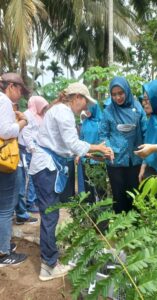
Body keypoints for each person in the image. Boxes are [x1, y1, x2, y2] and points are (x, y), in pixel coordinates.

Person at [29, 82, 113, 281]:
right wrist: (98, 148)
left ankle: (50, 258)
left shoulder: (57, 110)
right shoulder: (64, 113)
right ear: (76, 97)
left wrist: (92, 152)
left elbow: (67, 147)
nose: (85, 107)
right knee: (50, 216)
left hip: (45, 166)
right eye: (85, 102)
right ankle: (48, 266)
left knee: (50, 214)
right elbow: (72, 144)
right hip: (46, 168)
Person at [99, 76, 147, 214]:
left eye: (121, 93)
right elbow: (103, 134)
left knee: (135, 194)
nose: (117, 97)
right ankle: (120, 229)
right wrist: (108, 148)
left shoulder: (137, 108)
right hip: (115, 162)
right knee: (118, 196)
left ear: (127, 91)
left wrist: (145, 156)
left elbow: (145, 132)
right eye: (114, 94)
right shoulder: (108, 111)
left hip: (135, 160)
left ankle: (135, 228)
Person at [0, 72, 29, 266]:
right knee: (5, 209)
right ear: (11, 86)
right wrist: (22, 122)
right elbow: (5, 131)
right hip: (5, 161)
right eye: (20, 90)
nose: (20, 95)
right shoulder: (3, 100)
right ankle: (3, 252)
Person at [15, 96, 49, 224]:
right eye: (43, 106)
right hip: (26, 150)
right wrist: (32, 148)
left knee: (34, 177)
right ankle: (25, 208)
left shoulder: (39, 116)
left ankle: (31, 202)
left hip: (36, 150)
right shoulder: (27, 115)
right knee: (26, 180)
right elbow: (26, 134)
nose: (44, 109)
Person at [134, 80, 157, 180]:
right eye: (143, 99)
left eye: (147, 99)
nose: (144, 103)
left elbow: (152, 147)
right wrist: (144, 165)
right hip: (152, 169)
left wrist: (154, 148)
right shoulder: (153, 118)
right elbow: (149, 141)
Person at [79, 102, 104, 202]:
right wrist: (81, 154)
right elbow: (81, 139)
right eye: (85, 109)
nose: (86, 111)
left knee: (100, 187)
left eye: (89, 109)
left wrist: (97, 153)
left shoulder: (101, 123)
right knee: (88, 186)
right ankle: (91, 210)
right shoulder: (85, 122)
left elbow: (103, 140)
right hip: (86, 159)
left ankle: (103, 208)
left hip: (98, 160)